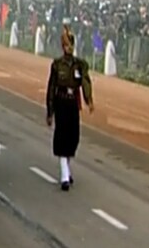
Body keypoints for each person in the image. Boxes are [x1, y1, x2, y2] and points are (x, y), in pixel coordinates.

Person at [46, 25, 94, 191]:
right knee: (62, 136)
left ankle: (67, 166)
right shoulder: (57, 65)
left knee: (73, 137)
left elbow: (85, 82)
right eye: (66, 45)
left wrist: (89, 100)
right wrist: (50, 111)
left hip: (73, 102)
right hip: (61, 102)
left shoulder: (80, 65)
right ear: (63, 47)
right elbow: (51, 88)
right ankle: (64, 175)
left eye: (71, 45)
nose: (69, 48)